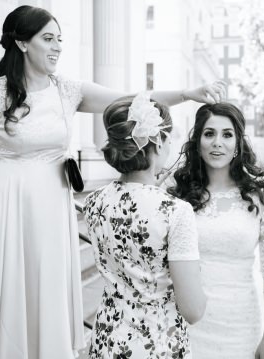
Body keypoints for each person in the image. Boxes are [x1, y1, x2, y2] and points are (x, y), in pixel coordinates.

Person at [0, 5, 225, 358]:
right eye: (48, 39)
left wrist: (188, 94)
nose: (57, 47)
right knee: (7, 298)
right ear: (21, 44)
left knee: (46, 298)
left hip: (51, 204)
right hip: (4, 206)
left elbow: (134, 99)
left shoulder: (67, 90)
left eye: (60, 39)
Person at [83, 94, 206, 357]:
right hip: (157, 344)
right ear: (159, 142)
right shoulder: (175, 212)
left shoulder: (94, 201)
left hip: (108, 338)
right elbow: (193, 310)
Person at [165, 103, 264, 358]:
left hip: (240, 322)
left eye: (227, 134)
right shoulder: (177, 195)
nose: (217, 142)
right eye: (209, 134)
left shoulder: (261, 197)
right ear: (197, 142)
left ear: (239, 144)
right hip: (183, 323)